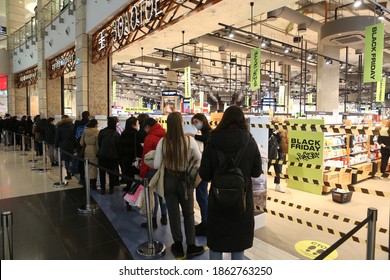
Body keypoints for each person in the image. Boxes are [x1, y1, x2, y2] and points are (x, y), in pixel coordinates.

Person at [199, 105, 262, 260]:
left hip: (217, 203)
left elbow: (205, 175)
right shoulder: (250, 141)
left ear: (224, 119)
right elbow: (256, 172)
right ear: (243, 120)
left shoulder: (212, 140)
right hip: (242, 203)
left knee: (216, 245)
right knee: (238, 246)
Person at [153, 112, 205, 259]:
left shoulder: (163, 142)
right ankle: (191, 246)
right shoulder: (189, 141)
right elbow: (198, 158)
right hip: (185, 181)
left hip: (169, 180)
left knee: (173, 214)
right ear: (181, 123)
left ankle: (178, 246)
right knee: (188, 214)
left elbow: (157, 164)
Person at [185, 113, 212, 236]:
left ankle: (206, 225)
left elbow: (207, 139)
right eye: (194, 123)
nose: (196, 125)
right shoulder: (206, 132)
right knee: (201, 197)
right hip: (204, 168)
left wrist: (193, 136)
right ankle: (205, 222)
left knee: (202, 197)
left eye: (196, 122)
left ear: (202, 120)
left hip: (204, 169)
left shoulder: (208, 132)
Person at [140, 117, 167, 228]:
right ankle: (164, 217)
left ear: (147, 127)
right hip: (163, 168)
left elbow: (145, 158)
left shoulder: (149, 137)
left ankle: (153, 220)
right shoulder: (165, 134)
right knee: (162, 193)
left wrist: (142, 173)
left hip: (151, 170)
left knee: (152, 196)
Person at [118, 117, 143, 209]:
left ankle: (128, 200)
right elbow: (139, 149)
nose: (138, 125)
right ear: (133, 125)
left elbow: (120, 148)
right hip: (135, 161)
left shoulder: (123, 134)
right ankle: (135, 200)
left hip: (126, 161)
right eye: (137, 123)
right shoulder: (137, 135)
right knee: (137, 181)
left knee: (129, 180)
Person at [97, 117, 120, 194]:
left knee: (102, 172)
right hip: (112, 156)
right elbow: (118, 146)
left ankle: (103, 188)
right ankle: (111, 188)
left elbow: (99, 143)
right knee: (111, 173)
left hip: (102, 155)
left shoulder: (102, 132)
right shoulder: (116, 134)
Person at [80, 119, 99, 189]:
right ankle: (93, 184)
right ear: (95, 124)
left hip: (87, 150)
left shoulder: (85, 131)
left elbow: (81, 142)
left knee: (87, 166)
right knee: (93, 167)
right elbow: (97, 144)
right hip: (94, 150)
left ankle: (87, 182)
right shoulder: (96, 132)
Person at [268, 117, 285, 193]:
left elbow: (282, 142)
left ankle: (277, 185)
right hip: (270, 154)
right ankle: (262, 184)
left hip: (278, 153)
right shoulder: (268, 131)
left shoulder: (281, 132)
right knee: (265, 169)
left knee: (278, 171)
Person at [55, 115, 74, 180]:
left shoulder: (59, 127)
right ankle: (72, 171)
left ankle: (68, 173)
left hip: (63, 145)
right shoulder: (72, 126)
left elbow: (57, 137)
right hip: (72, 145)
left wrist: (56, 145)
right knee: (72, 158)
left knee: (66, 160)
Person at [74, 111, 90, 185]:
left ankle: (82, 178)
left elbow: (74, 134)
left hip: (79, 145)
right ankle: (91, 179)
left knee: (81, 162)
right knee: (89, 163)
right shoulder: (90, 123)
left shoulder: (77, 123)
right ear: (88, 116)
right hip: (88, 146)